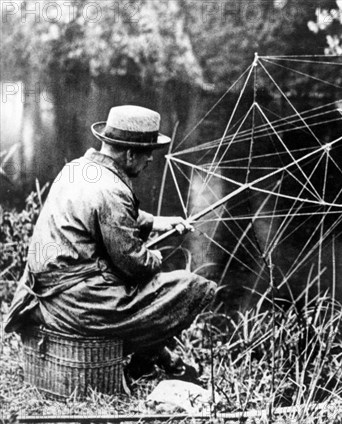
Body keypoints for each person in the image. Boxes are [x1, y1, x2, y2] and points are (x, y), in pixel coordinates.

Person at [4, 105, 217, 377]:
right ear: (129, 154)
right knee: (191, 287)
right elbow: (133, 263)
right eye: (147, 154)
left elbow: (102, 213)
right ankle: (146, 364)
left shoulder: (78, 169)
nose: (150, 160)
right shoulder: (113, 190)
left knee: (141, 287)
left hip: (45, 291)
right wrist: (155, 258)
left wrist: (157, 221)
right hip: (73, 303)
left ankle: (155, 362)